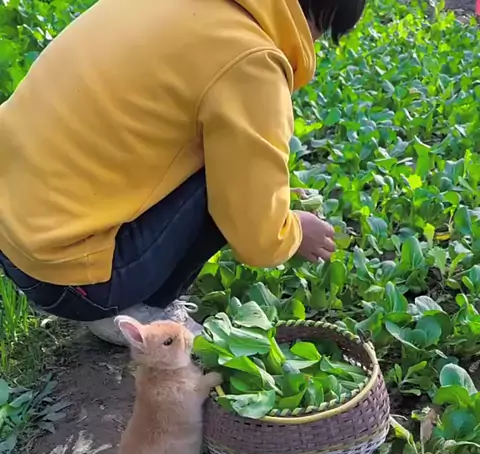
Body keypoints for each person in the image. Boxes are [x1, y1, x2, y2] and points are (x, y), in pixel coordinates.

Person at [0, 0, 365, 345]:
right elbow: (257, 238)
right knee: (231, 180)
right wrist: (296, 232)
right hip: (66, 279)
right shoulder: (251, 60)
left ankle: (118, 300)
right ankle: (142, 308)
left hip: (11, 225)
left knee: (224, 156)